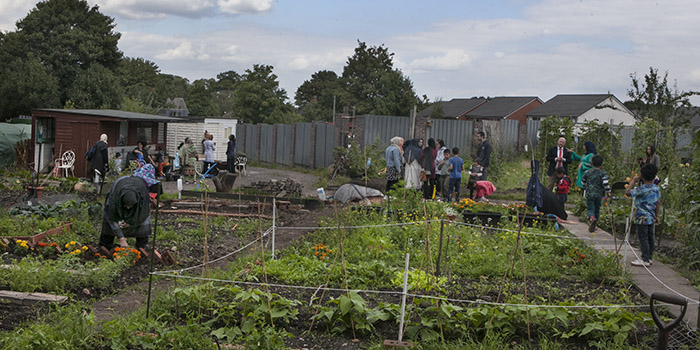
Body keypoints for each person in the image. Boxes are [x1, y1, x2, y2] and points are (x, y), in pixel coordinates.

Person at [99, 174, 152, 250]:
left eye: (131, 206)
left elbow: (143, 216)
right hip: (118, 188)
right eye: (125, 205)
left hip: (139, 191)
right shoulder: (113, 200)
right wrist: (121, 239)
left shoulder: (142, 201)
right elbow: (111, 217)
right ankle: (105, 246)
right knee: (108, 226)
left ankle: (141, 248)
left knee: (143, 227)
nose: (128, 208)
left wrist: (131, 222)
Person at [626, 164, 661, 267]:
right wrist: (657, 216)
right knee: (650, 237)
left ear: (642, 175)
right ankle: (649, 257)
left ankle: (645, 259)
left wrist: (633, 181)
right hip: (651, 216)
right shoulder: (656, 188)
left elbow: (627, 192)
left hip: (642, 217)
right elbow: (658, 202)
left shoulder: (641, 189)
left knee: (643, 238)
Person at [581, 154, 610, 232]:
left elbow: (583, 182)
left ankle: (591, 218)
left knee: (590, 208)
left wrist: (584, 189)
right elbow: (605, 183)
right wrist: (608, 192)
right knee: (597, 209)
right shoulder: (603, 173)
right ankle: (595, 223)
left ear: (592, 163)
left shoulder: (588, 172)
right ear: (601, 163)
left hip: (589, 193)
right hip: (599, 194)